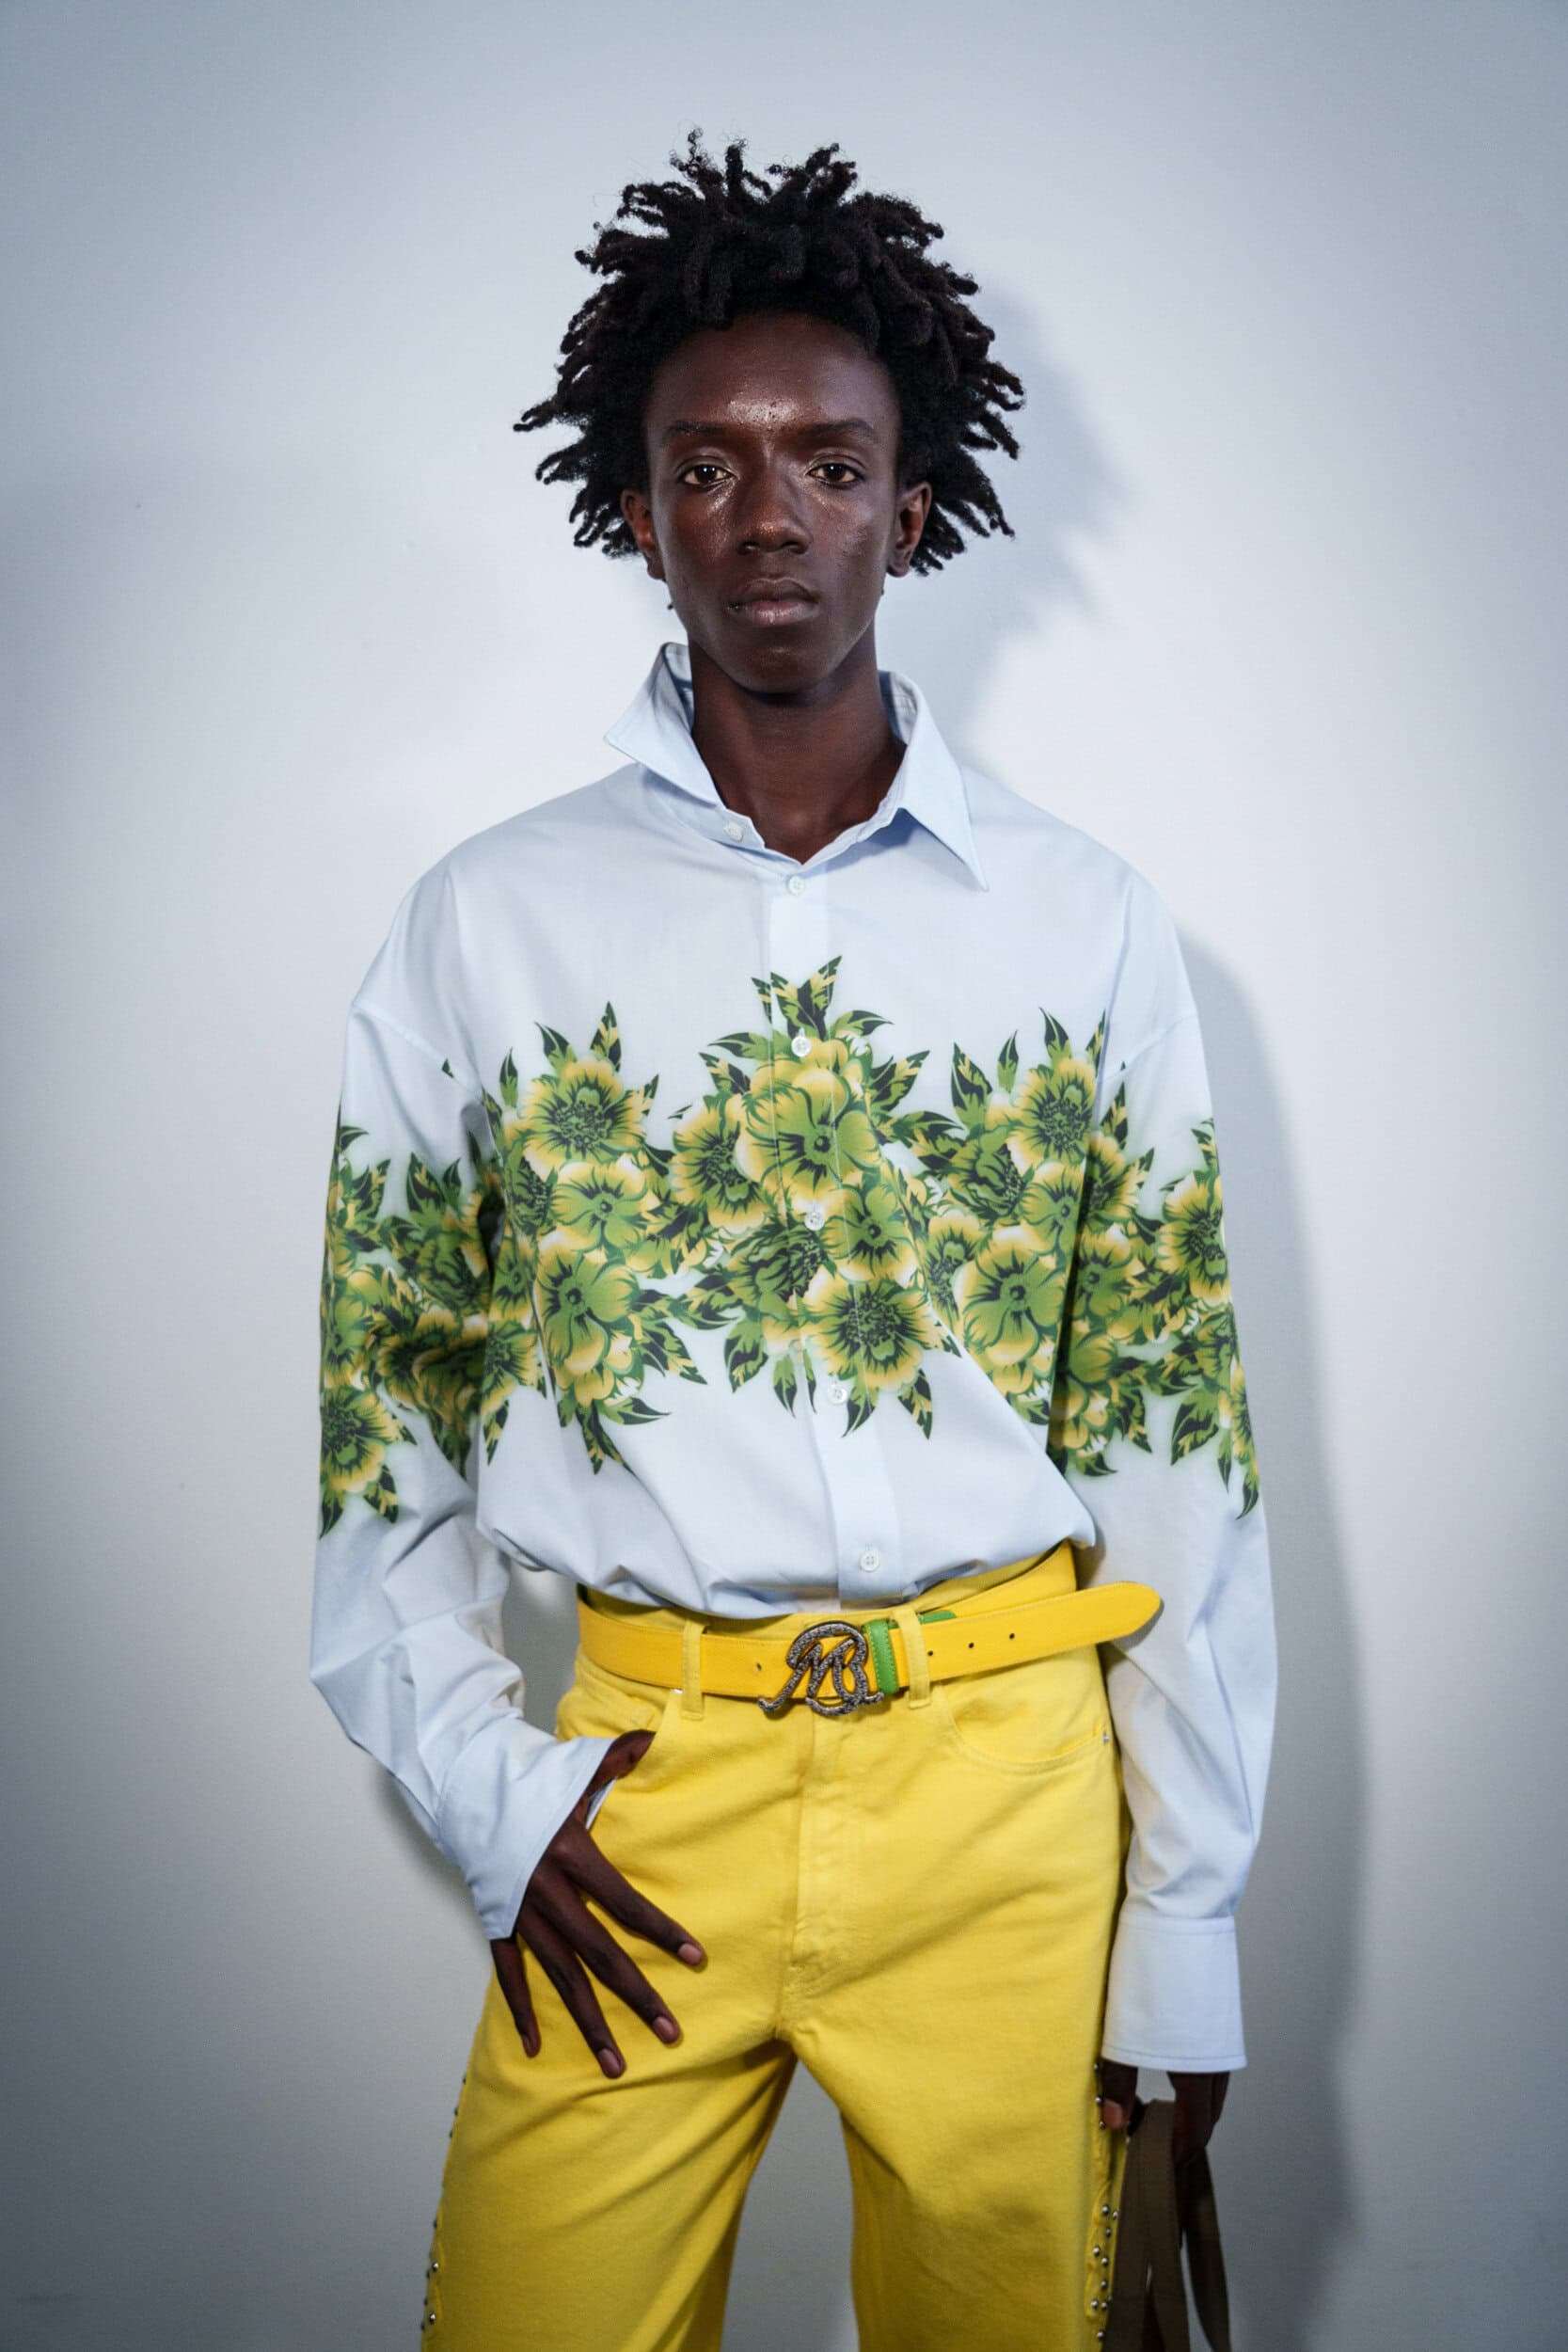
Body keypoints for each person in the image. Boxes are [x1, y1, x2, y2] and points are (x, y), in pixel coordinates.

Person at [309, 134, 1276, 2352]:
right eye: (709, 467)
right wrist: (495, 1786)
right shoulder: (485, 924)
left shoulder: (1086, 923)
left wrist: (1187, 1923)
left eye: (831, 463)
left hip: (1010, 1800)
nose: (772, 517)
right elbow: (387, 1416)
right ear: (634, 511)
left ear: (910, 509)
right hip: (646, 1788)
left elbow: (1174, 1439)